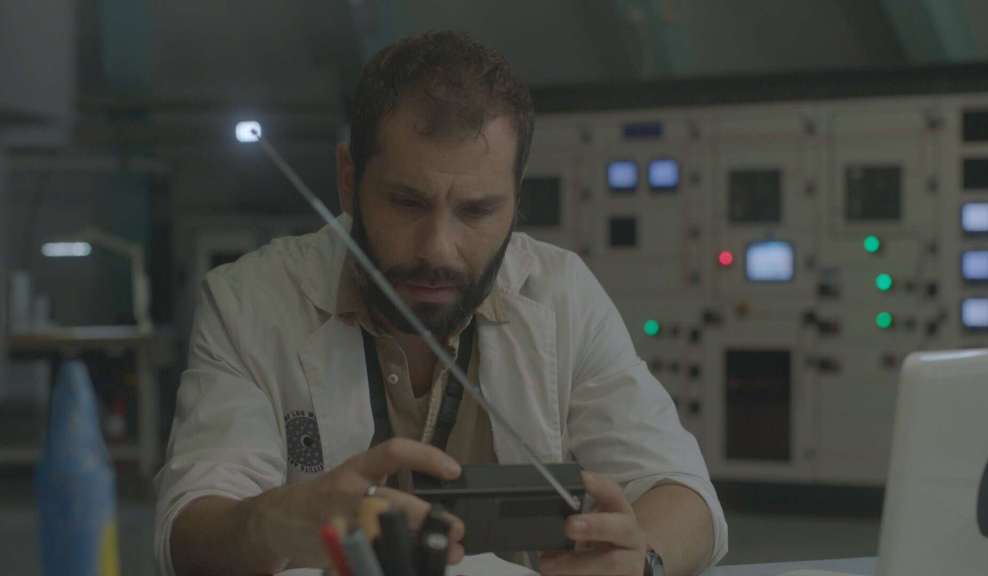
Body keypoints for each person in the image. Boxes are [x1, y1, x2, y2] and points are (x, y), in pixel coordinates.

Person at [155, 31, 728, 576]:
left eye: (477, 211)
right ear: (349, 180)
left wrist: (642, 561)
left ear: (516, 197)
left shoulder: (562, 295)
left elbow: (685, 494)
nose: (438, 250)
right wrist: (273, 524)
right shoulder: (250, 302)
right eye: (407, 203)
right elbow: (189, 532)